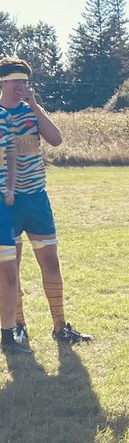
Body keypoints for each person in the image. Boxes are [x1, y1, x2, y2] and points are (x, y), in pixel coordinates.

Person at [0, 58, 91, 346]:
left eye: (25, 82)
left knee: (51, 263)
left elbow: (56, 139)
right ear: (2, 83)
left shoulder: (31, 113)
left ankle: (60, 326)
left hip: (37, 199)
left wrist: (36, 106)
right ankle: (18, 325)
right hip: (8, 204)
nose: (21, 87)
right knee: (12, 269)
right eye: (16, 81)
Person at [0, 108, 31, 355]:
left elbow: (11, 156)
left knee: (9, 275)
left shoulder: (4, 117)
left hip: (2, 206)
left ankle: (8, 338)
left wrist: (10, 187)